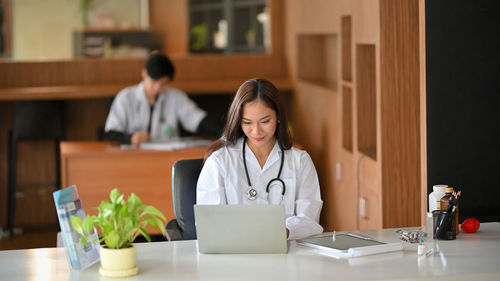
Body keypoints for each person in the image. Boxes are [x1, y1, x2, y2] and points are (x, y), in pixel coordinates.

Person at [196, 78, 323, 240]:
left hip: (286, 252)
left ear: (278, 116)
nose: (256, 131)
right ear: (238, 121)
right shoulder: (220, 161)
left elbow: (310, 220)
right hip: (235, 252)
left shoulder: (300, 161)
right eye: (247, 122)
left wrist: (284, 231)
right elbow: (209, 222)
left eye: (265, 121)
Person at [104, 52, 220, 144]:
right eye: (154, 82)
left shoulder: (175, 97)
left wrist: (225, 132)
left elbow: (197, 119)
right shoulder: (126, 97)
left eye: (163, 83)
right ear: (144, 73)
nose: (158, 88)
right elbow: (111, 133)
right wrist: (130, 138)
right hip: (133, 155)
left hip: (166, 155)